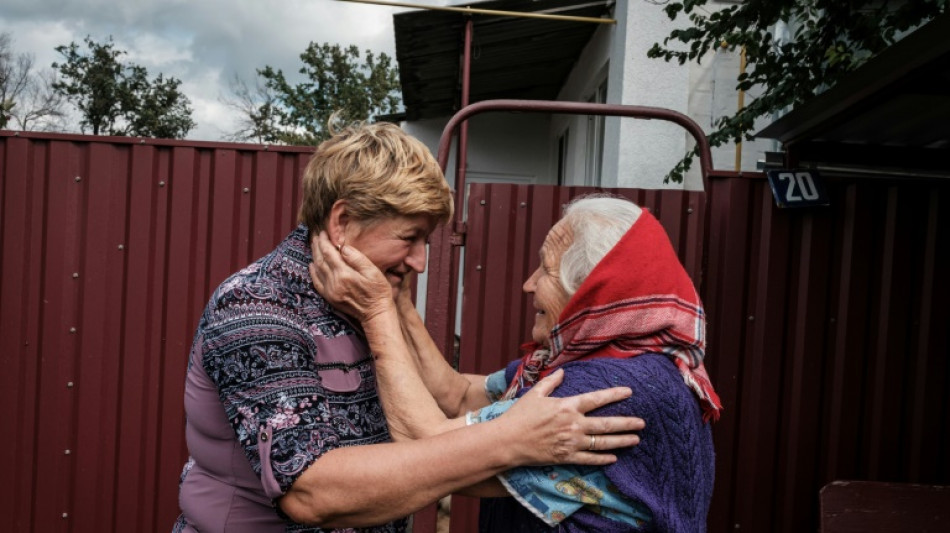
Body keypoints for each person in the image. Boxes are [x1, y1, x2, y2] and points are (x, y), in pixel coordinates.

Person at [172, 122, 646, 533]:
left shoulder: (364, 296)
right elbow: (312, 492)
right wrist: (507, 441)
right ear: (342, 222)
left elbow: (447, 397)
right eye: (409, 237)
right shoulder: (258, 307)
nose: (420, 262)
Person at [309, 195, 723, 532]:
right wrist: (398, 300)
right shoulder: (597, 362)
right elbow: (458, 394)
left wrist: (376, 312)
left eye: (545, 269)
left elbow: (427, 444)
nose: (528, 284)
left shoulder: (608, 390)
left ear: (589, 293)